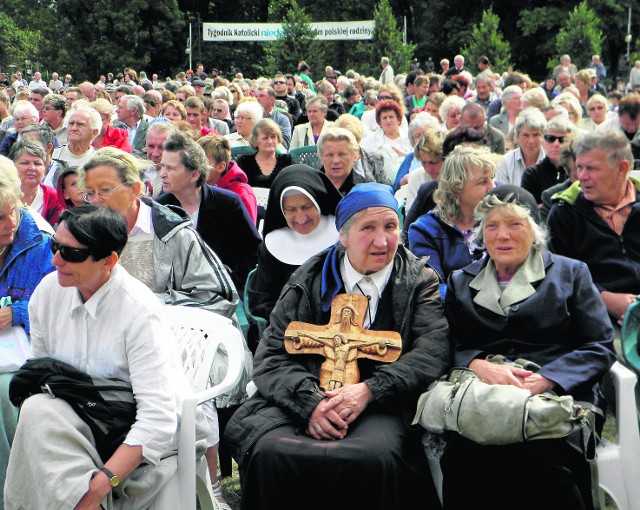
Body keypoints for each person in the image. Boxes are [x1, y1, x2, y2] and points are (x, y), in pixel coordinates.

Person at [225, 182, 450, 510]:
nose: (382, 240)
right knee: (270, 451)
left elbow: (432, 352)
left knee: (375, 456)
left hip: (382, 403)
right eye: (367, 228)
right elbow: (271, 355)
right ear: (343, 237)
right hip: (304, 396)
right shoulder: (310, 278)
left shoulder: (418, 280)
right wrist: (311, 403)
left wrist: (369, 391)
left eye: (390, 227)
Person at [4, 205, 213, 510]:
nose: (55, 260)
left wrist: (100, 485)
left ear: (109, 260)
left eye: (71, 253)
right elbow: (42, 379)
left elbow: (156, 418)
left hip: (132, 430)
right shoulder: (47, 294)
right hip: (79, 421)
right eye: (55, 246)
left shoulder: (139, 310)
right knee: (36, 407)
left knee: (63, 474)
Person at [441, 188, 616, 509]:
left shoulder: (570, 273)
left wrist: (547, 378)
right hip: (487, 395)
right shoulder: (461, 282)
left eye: (514, 224)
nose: (502, 235)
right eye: (491, 226)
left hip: (561, 394)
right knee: (464, 458)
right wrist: (476, 363)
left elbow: (600, 345)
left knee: (540, 456)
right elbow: (448, 343)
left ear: (534, 231)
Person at [78, 147, 238, 318]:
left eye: (105, 190)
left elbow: (220, 298)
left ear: (134, 189)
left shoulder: (173, 234)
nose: (96, 200)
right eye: (90, 193)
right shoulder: (87, 237)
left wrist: (146, 304)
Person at [0, 156, 55, 508]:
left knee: (3, 395)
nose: (9, 223)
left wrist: (16, 312)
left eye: (12, 212)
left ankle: (10, 494)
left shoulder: (40, 243)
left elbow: (55, 309)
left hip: (25, 356)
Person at [547, 129, 640, 328]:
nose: (582, 176)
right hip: (595, 319)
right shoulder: (564, 212)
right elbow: (559, 277)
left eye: (592, 168)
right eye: (579, 167)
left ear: (621, 169)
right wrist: (605, 299)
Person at [156, 130, 261, 293]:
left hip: (222, 292)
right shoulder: (160, 208)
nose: (162, 174)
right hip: (173, 294)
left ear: (194, 174)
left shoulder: (228, 204)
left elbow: (252, 253)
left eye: (170, 168)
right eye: (162, 166)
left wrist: (229, 283)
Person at [247, 165, 342, 328]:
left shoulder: (342, 237)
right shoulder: (273, 245)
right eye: (291, 209)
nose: (300, 217)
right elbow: (262, 298)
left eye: (306, 207)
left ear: (318, 201)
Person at [408, 145, 498, 284]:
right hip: (453, 304)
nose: (493, 187)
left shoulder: (499, 219)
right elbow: (434, 287)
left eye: (492, 178)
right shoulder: (426, 231)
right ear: (456, 189)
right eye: (483, 181)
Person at [198, 134, 258, 225]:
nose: (196, 167)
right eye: (193, 161)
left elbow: (247, 236)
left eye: (203, 163)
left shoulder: (241, 193)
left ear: (220, 167)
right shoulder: (193, 187)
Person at [520, 116, 576, 204]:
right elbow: (529, 209)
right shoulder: (531, 174)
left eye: (562, 139)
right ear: (543, 142)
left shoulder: (577, 171)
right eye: (550, 138)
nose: (556, 144)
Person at [9, 138, 61, 227]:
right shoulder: (4, 193)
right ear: (12, 165)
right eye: (25, 163)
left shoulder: (53, 197)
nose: (32, 168)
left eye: (37, 164)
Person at [495, 107, 547, 186]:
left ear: (543, 136)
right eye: (526, 135)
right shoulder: (505, 162)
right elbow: (501, 195)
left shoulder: (551, 161)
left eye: (536, 135)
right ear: (517, 137)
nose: (531, 141)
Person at [236, 119, 293, 189]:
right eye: (265, 138)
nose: (270, 141)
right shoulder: (244, 162)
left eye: (273, 137)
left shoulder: (288, 161)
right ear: (255, 140)